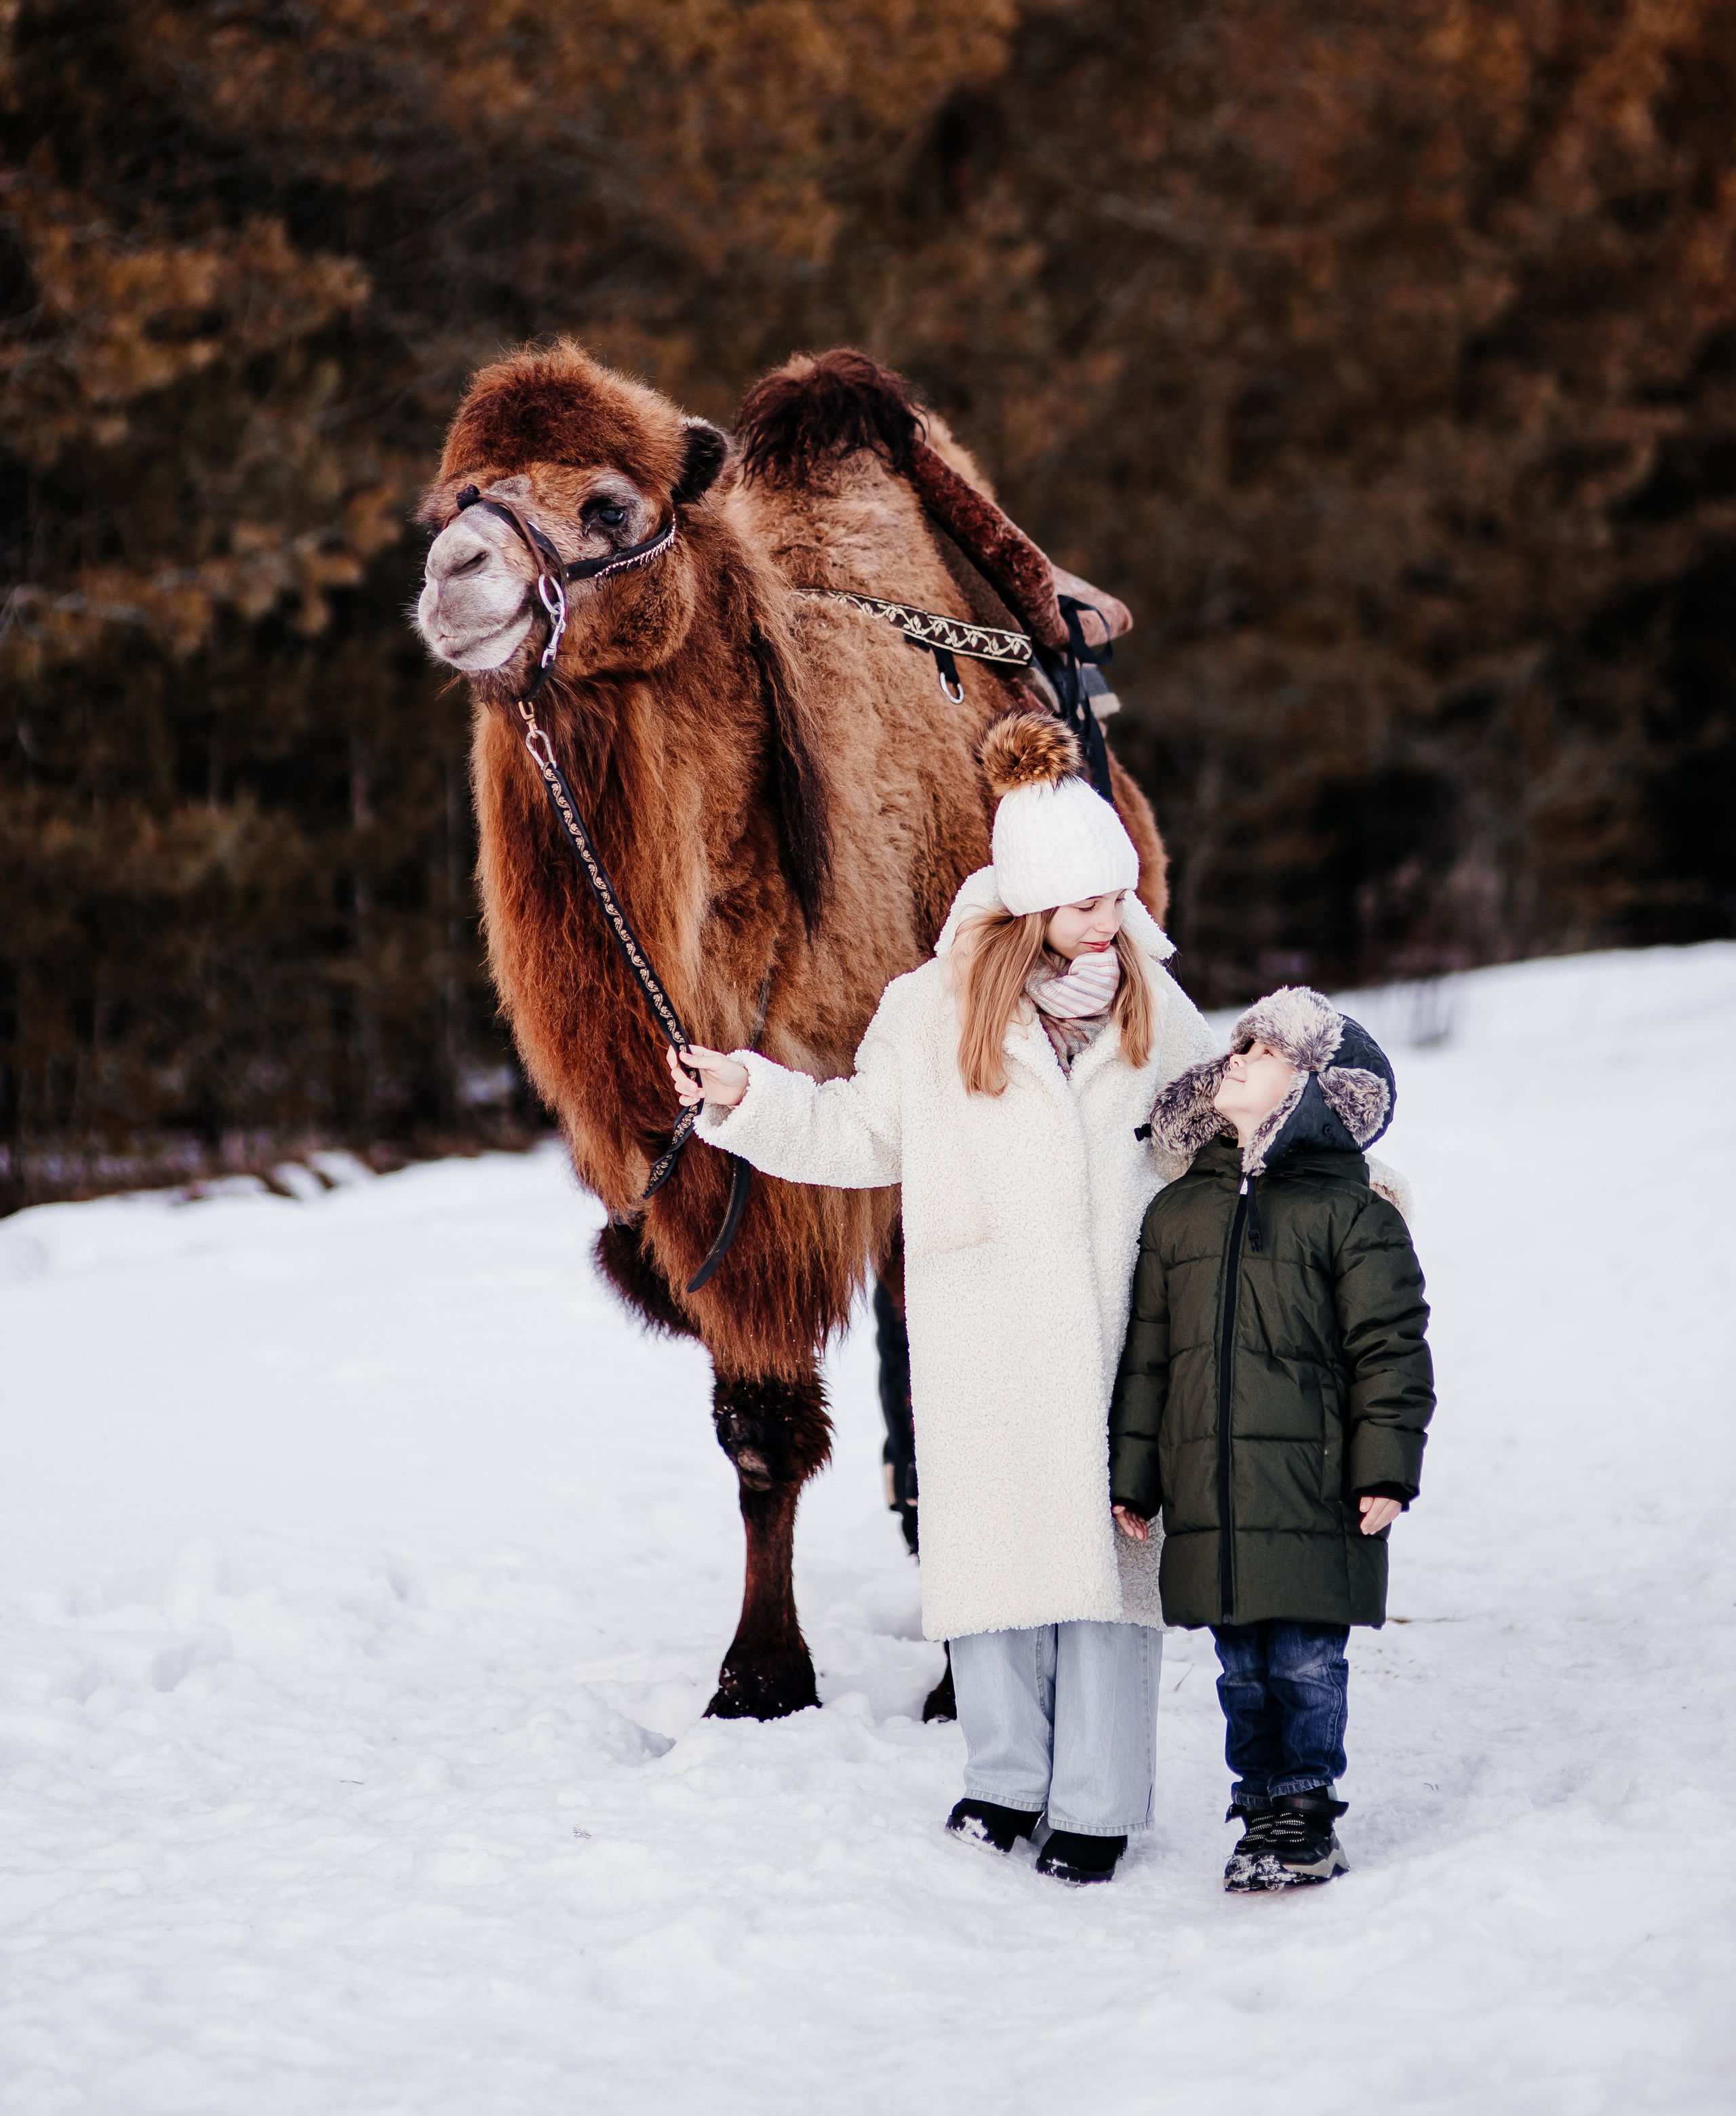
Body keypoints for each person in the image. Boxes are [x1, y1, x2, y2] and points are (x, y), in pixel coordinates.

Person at [669, 711, 1215, 1883]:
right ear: (1025, 906)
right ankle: (1007, 1779)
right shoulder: (930, 1010)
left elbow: (1217, 1126)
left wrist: (1334, 1164)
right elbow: (860, 1132)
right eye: (1082, 907)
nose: (1107, 926)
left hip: (1121, 1336)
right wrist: (743, 1095)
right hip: (982, 1336)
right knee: (996, 1567)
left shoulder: (1154, 1009)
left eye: (1116, 900)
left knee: (1112, 1575)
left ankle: (1100, 1803)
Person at [1109, 987, 1434, 1892]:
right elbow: (1149, 1362)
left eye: (1266, 1050)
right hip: (1211, 1489)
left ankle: (1303, 1813)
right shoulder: (1178, 1218)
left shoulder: (1353, 1215)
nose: (1239, 1056)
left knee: (1303, 1662)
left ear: (1317, 1090)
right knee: (1241, 1670)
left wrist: (1385, 1469)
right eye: (1239, 1045)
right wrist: (1135, 1476)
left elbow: (1390, 1352)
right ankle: (1261, 1812)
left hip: (1316, 1488)